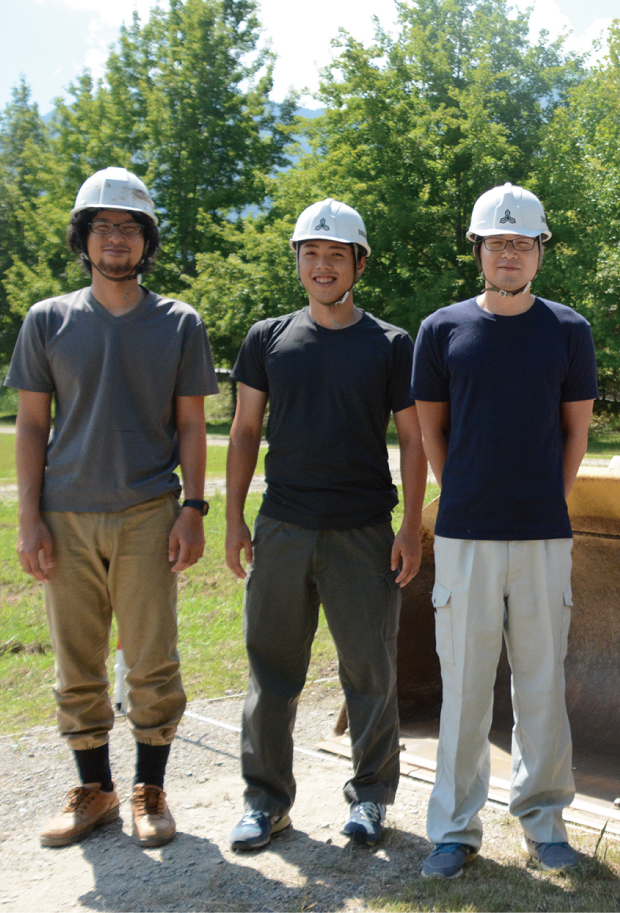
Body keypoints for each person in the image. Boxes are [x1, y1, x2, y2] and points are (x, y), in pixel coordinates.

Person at [6, 167, 217, 848]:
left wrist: (194, 506)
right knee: (77, 661)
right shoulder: (49, 319)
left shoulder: (179, 322)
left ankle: (148, 789)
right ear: (84, 237)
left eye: (129, 227)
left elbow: (192, 424)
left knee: (153, 658)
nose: (116, 238)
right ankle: (93, 790)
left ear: (147, 239)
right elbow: (32, 425)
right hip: (65, 514)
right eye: (103, 226)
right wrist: (28, 516)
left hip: (149, 511)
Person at [224, 198, 425, 852]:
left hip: (363, 530)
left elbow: (414, 439)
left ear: (357, 264)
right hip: (282, 525)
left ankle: (370, 797)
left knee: (369, 671)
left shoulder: (391, 344)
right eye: (311, 253)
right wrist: (232, 516)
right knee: (271, 671)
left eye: (336, 254)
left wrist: (409, 527)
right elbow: (246, 429)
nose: (322, 264)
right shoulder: (267, 338)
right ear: (298, 262)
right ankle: (265, 802)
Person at [414, 182, 596, 879]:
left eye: (522, 243)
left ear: (540, 251)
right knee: (462, 685)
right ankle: (455, 828)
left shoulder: (568, 330)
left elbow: (575, 432)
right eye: (498, 242)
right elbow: (432, 428)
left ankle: (544, 818)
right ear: (479, 250)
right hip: (465, 532)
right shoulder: (442, 329)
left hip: (544, 532)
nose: (510, 253)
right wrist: (457, 487)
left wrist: (548, 498)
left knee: (541, 679)